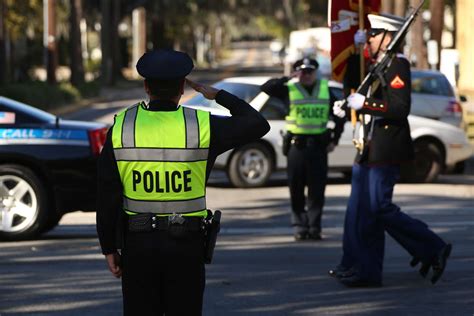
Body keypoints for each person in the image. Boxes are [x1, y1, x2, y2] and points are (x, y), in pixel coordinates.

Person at [96, 49, 270, 315]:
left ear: (146, 87)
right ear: (182, 88)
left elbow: (107, 192)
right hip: (185, 246)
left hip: (138, 247)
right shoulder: (202, 125)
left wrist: (109, 247)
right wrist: (218, 95)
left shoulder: (121, 126)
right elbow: (257, 124)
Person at [329, 14, 452, 287]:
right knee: (361, 212)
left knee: (378, 208)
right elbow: (356, 80)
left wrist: (366, 104)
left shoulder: (398, 64)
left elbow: (399, 108)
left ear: (388, 37)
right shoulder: (377, 64)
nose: (369, 38)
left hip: (386, 146)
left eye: (373, 34)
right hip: (369, 145)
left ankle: (431, 246)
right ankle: (361, 267)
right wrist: (349, 99)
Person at [261, 57, 345, 241]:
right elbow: (266, 88)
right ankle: (300, 226)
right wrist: (288, 77)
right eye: (302, 71)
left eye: (309, 71)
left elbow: (340, 115)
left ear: (315, 72)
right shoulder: (288, 88)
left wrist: (335, 139)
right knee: (296, 188)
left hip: (318, 147)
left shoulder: (325, 89)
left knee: (317, 190)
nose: (306, 75)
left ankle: (314, 227)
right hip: (296, 147)